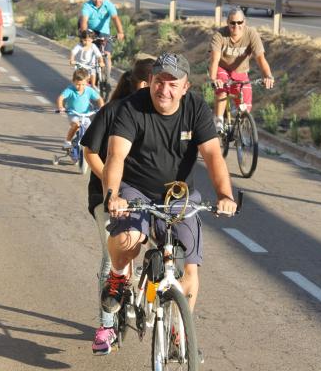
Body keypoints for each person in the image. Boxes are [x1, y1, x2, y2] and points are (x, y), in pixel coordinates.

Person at [102, 53, 238, 342]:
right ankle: (116, 277)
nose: (165, 89)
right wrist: (114, 196)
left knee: (190, 269)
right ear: (150, 80)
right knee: (128, 240)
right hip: (136, 190)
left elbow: (213, 155)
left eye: (173, 83)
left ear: (185, 87)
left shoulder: (196, 109)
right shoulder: (131, 109)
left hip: (179, 194)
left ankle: (180, 333)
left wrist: (225, 195)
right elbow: (116, 156)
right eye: (159, 81)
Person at [81, 58, 155, 355]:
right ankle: (105, 326)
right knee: (112, 254)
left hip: (144, 196)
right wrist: (113, 187)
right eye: (152, 83)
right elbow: (90, 152)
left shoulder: (159, 114)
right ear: (139, 84)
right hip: (106, 197)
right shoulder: (113, 111)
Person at [208, 7, 274, 132]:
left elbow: (260, 58)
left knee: (245, 103)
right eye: (232, 23)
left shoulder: (251, 34)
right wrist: (214, 79)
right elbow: (214, 60)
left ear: (245, 22)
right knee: (222, 88)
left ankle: (240, 123)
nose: (236, 26)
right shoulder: (220, 35)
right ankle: (219, 120)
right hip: (222, 68)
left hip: (240, 71)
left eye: (239, 22)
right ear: (227, 22)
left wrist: (268, 76)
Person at [56, 68, 105, 149]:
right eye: (78, 84)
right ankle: (67, 141)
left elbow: (99, 99)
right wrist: (61, 107)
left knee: (90, 130)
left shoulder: (89, 90)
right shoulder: (70, 90)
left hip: (85, 115)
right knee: (76, 125)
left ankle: (86, 144)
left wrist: (102, 107)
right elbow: (60, 98)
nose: (80, 87)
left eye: (83, 84)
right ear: (73, 81)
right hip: (73, 114)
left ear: (87, 82)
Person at [79, 0, 125, 73]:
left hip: (104, 33)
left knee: (107, 54)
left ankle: (106, 78)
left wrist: (120, 32)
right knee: (88, 54)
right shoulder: (87, 5)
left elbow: (115, 18)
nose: (97, 0)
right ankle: (87, 75)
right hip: (90, 32)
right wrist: (85, 34)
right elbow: (84, 20)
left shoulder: (108, 5)